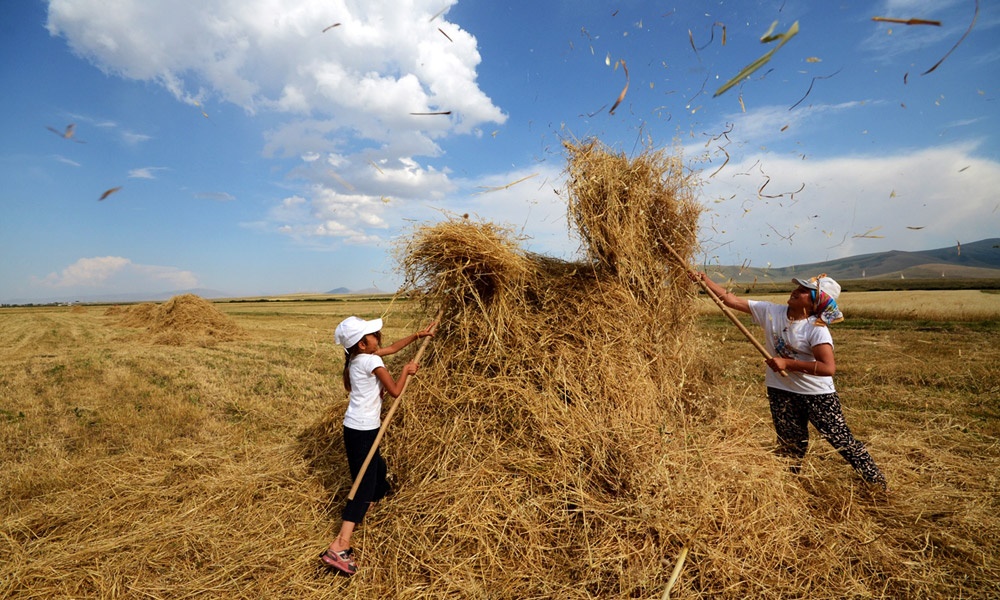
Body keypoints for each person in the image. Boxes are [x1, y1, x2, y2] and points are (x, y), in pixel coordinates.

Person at [692, 272, 888, 490]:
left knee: (841, 441)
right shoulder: (772, 311)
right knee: (789, 444)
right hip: (780, 389)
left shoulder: (816, 329)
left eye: (804, 291)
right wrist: (703, 280)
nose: (796, 291)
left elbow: (828, 368)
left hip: (816, 395)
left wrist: (788, 364)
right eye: (798, 287)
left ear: (816, 302)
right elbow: (731, 300)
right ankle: (788, 488)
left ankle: (877, 484)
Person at [319, 315, 436, 576]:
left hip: (354, 427)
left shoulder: (356, 358)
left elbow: (392, 348)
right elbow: (395, 390)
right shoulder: (371, 360)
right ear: (362, 343)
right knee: (363, 485)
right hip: (363, 428)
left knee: (377, 469)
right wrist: (406, 371)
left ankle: (371, 503)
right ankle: (340, 545)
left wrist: (418, 336)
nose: (378, 338)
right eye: (373, 336)